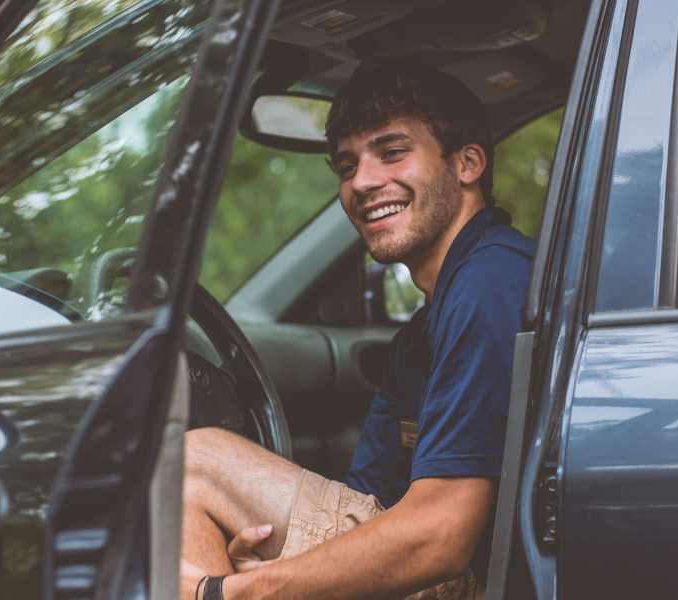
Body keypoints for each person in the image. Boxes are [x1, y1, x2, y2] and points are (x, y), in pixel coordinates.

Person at [179, 62, 535, 600]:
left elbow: (440, 536)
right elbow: (365, 503)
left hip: (481, 583)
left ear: (467, 164)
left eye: (392, 152)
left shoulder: (492, 280)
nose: (363, 182)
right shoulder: (421, 333)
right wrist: (272, 569)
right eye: (347, 166)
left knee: (190, 463)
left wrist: (233, 592)